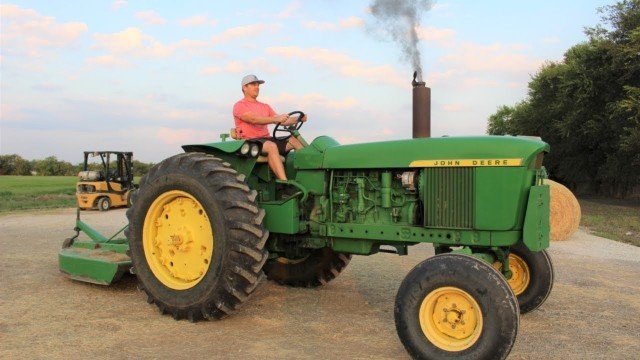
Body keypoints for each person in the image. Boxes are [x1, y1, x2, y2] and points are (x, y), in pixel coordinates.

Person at [233, 74, 306, 180]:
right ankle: (285, 182)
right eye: (253, 84)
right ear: (245, 87)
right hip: (250, 143)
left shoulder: (265, 106)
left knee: (295, 141)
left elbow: (281, 121)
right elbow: (253, 119)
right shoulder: (240, 105)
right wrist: (276, 119)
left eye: (258, 85)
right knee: (271, 146)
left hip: (266, 139)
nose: (257, 87)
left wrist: (298, 119)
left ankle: (306, 177)